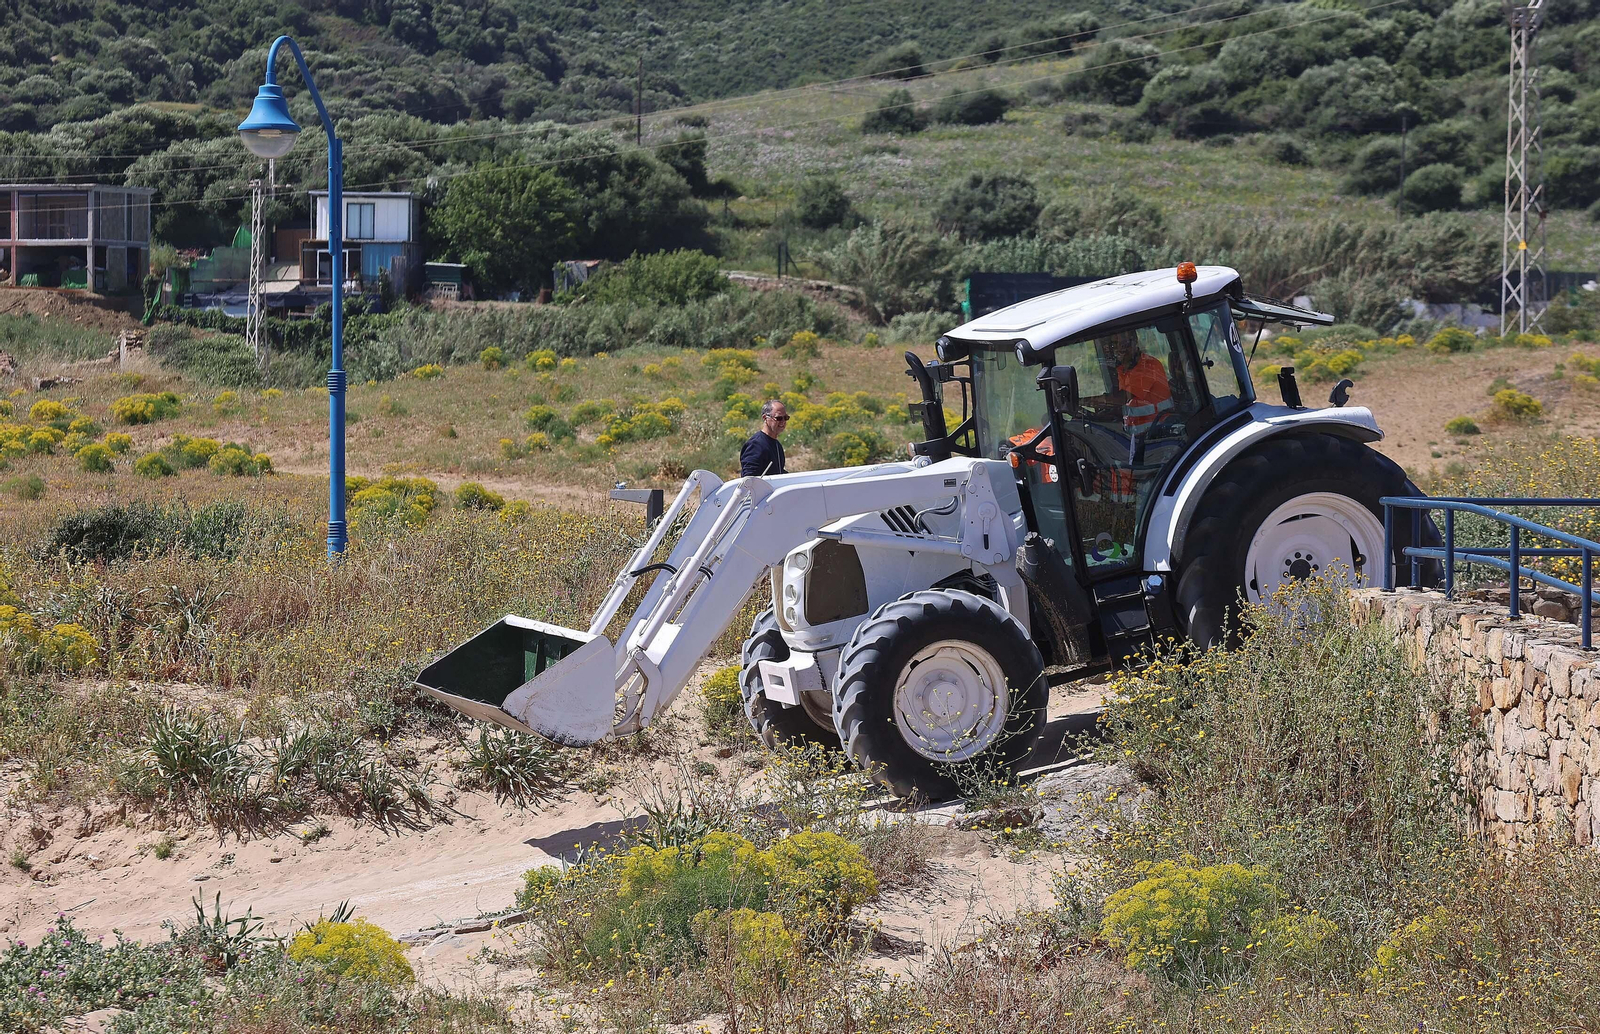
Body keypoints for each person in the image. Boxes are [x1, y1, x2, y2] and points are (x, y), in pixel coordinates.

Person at [740, 399, 788, 477]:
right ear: (765, 418)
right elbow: (749, 479)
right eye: (779, 418)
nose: (783, 422)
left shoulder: (777, 444)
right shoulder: (755, 445)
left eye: (785, 418)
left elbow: (778, 472)